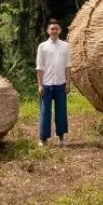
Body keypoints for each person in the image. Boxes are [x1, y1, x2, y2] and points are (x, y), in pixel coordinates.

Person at [35, 18, 71, 147]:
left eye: (56, 28)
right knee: (45, 111)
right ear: (48, 31)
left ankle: (61, 137)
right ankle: (43, 138)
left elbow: (68, 66)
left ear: (60, 30)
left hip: (61, 83)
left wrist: (68, 83)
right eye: (52, 29)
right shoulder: (42, 47)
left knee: (61, 110)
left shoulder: (66, 46)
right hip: (46, 83)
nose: (54, 31)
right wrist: (40, 84)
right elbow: (39, 67)